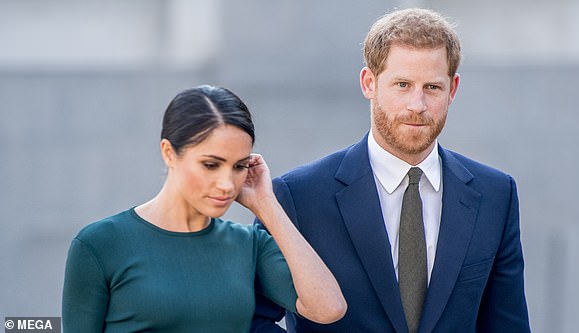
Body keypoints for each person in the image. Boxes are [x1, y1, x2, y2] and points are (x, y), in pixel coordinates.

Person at [250, 7, 530, 333]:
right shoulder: (297, 197)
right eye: (402, 84)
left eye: (432, 88)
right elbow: (252, 320)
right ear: (369, 83)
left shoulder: (496, 195)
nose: (417, 105)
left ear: (452, 89)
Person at [62, 85, 346, 332]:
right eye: (211, 165)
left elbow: (328, 308)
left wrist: (267, 205)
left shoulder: (249, 245)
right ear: (169, 152)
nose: (226, 184)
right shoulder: (100, 245)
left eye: (239, 166)